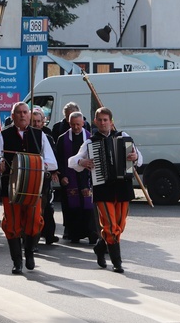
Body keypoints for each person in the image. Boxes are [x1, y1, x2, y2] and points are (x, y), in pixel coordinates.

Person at [0, 102, 57, 274]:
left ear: (29, 115)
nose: (22, 115)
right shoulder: (4, 134)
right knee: (12, 224)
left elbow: (52, 162)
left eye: (25, 112)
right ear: (13, 115)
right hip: (11, 186)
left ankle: (29, 251)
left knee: (34, 221)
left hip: (33, 187)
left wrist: (40, 164)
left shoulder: (39, 135)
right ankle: (17, 261)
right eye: (19, 112)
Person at [68, 107, 143, 273]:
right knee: (110, 226)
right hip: (102, 188)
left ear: (111, 122)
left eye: (105, 120)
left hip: (123, 186)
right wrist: (82, 163)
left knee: (120, 226)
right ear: (95, 122)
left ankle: (101, 247)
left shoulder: (124, 137)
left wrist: (135, 158)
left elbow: (139, 159)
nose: (103, 123)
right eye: (100, 120)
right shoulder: (90, 142)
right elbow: (72, 161)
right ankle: (117, 262)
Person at [56, 111, 97, 244]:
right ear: (69, 123)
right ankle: (74, 234)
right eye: (73, 125)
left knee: (89, 206)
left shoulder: (91, 138)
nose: (76, 127)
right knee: (72, 207)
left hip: (87, 177)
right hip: (70, 177)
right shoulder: (63, 139)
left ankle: (92, 233)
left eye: (78, 124)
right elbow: (59, 160)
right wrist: (62, 175)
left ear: (83, 123)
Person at [32, 107, 59, 245]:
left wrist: (53, 171)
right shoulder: (27, 135)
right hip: (30, 178)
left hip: (44, 178)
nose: (36, 124)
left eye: (39, 121)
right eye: (34, 121)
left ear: (43, 122)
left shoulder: (47, 137)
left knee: (46, 208)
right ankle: (33, 238)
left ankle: (48, 234)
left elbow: (53, 156)